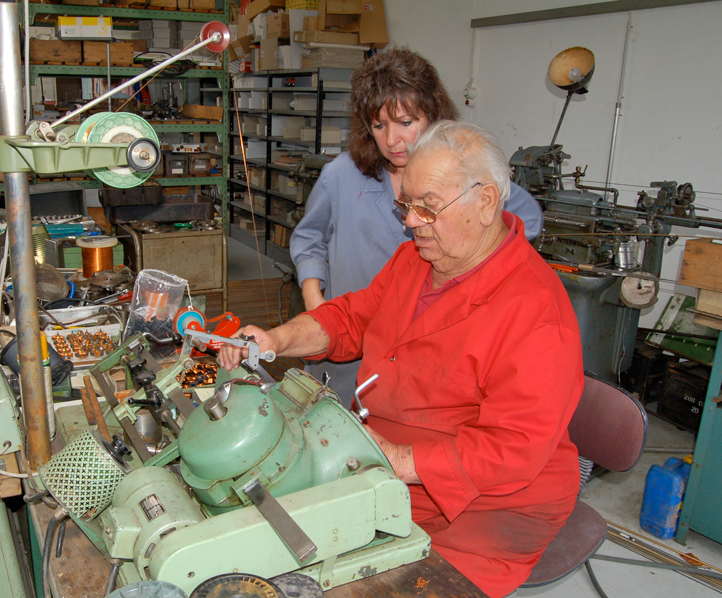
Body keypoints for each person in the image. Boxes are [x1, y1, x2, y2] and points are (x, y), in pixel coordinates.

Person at [222, 121, 582, 598]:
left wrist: (396, 458)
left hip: (486, 508)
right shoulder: (416, 260)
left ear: (486, 202)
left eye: (427, 207)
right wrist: (275, 339)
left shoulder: (536, 313)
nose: (410, 221)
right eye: (406, 204)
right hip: (389, 468)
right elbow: (351, 318)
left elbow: (511, 450)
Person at [290, 49, 544, 407]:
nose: (393, 140)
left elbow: (521, 219)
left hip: (424, 357)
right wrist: (315, 301)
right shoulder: (340, 176)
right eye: (379, 126)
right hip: (345, 345)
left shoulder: (465, 176)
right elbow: (308, 237)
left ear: (432, 117)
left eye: (406, 122)